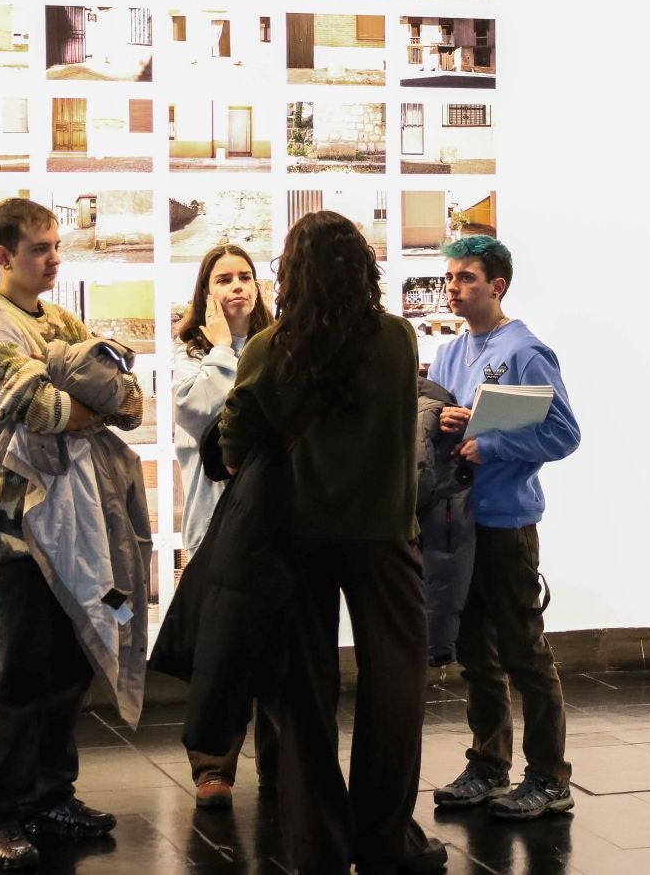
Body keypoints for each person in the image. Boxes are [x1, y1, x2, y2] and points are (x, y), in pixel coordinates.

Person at [218, 211, 446, 875]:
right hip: (384, 537)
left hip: (296, 540)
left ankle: (316, 843)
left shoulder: (268, 348)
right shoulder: (398, 339)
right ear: (362, 268)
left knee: (302, 695)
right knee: (395, 687)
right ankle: (386, 838)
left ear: (291, 273)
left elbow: (232, 449)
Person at [0, 197, 145, 871]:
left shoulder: (60, 320)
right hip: (18, 527)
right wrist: (87, 401)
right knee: (19, 669)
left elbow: (127, 396)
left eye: (56, 245)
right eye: (40, 249)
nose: (54, 258)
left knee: (69, 663)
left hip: (78, 526)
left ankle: (48, 795)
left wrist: (94, 398)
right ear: (4, 256)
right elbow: (43, 407)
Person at [427, 235, 582, 821]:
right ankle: (488, 766)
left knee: (524, 653)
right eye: (450, 278)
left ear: (498, 286)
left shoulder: (525, 351)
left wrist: (491, 443)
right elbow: (437, 418)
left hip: (507, 524)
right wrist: (438, 417)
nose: (454, 288)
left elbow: (563, 434)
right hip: (457, 522)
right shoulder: (447, 352)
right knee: (475, 654)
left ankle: (548, 777)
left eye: (466, 278)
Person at [171, 244, 275, 809]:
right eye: (223, 279)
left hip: (275, 515)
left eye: (245, 276)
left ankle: (282, 761)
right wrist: (218, 351)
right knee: (220, 650)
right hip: (214, 516)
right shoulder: (190, 354)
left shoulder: (277, 342)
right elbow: (199, 413)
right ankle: (213, 767)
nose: (236, 287)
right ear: (205, 291)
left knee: (278, 645)